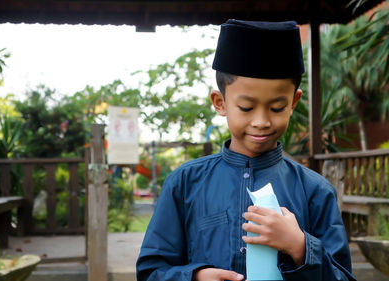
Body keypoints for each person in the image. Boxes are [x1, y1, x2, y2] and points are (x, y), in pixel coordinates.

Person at [136, 19, 356, 281]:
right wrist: (195, 277)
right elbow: (151, 271)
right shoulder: (184, 183)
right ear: (220, 102)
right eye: (246, 108)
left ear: (294, 102)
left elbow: (344, 277)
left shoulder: (315, 191)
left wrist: (300, 247)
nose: (261, 121)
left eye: (276, 108)